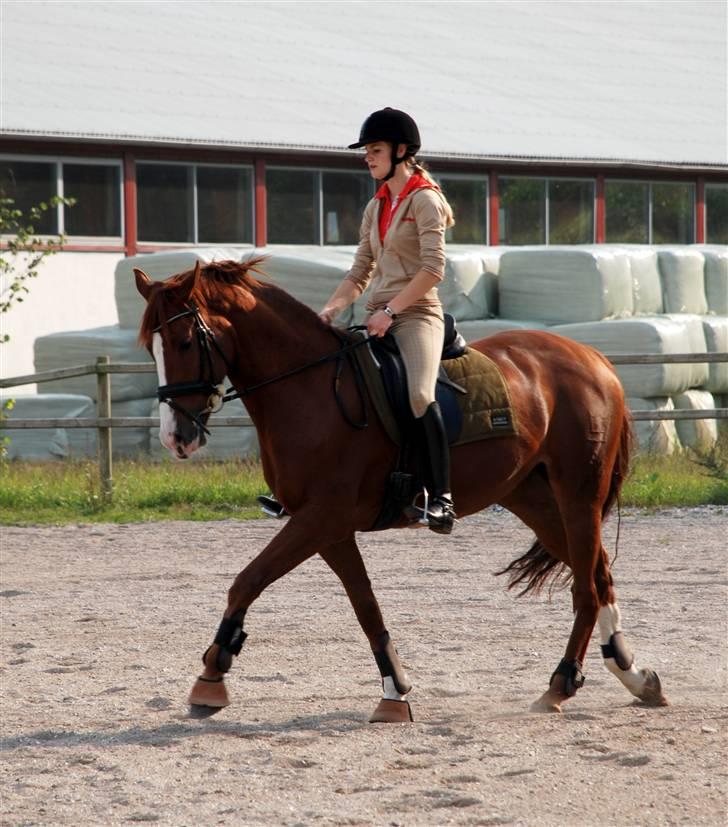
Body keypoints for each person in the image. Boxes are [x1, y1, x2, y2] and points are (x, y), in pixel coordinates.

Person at [320, 107, 457, 534]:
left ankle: (441, 498)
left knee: (418, 395)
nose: (367, 157)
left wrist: (391, 312)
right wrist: (331, 308)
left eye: (374, 150)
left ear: (401, 152)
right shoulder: (374, 205)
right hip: (376, 313)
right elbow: (360, 271)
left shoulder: (426, 200)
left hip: (415, 315)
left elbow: (433, 270)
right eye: (366, 151)